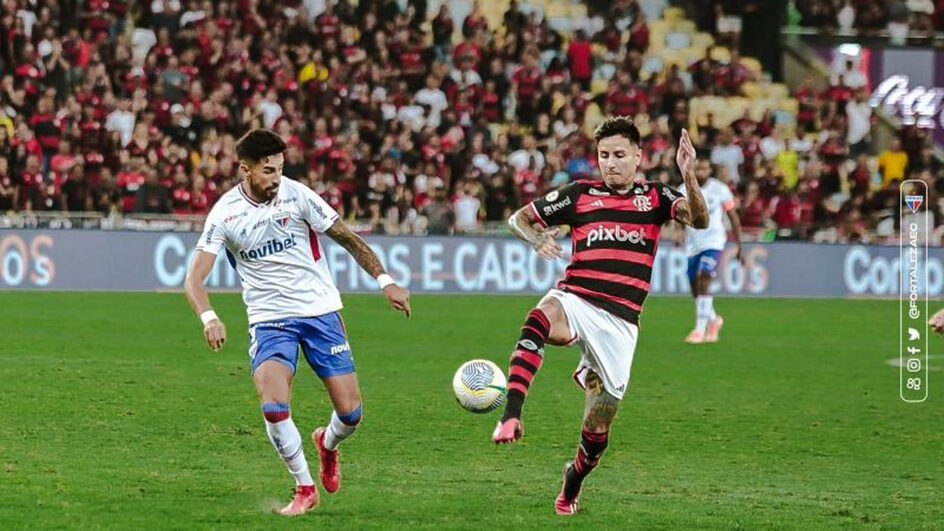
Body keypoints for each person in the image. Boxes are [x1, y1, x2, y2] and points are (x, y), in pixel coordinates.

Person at [183, 129, 411, 516]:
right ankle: (304, 487)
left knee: (351, 413)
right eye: (268, 171)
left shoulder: (298, 195)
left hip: (320, 312)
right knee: (273, 405)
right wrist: (209, 317)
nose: (276, 178)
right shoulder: (225, 213)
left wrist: (385, 281)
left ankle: (328, 444)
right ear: (246, 170)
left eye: (280, 169)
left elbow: (348, 238)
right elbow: (194, 279)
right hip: (270, 320)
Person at [491, 117, 708, 515]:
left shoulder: (657, 197)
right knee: (538, 318)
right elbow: (518, 219)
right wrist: (537, 237)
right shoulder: (579, 194)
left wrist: (688, 174)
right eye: (604, 155)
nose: (610, 163)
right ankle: (511, 415)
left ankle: (573, 480)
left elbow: (700, 220)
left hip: (620, 324)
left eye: (619, 155)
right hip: (576, 299)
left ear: (639, 157)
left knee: (597, 427)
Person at [676, 159, 744, 343]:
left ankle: (699, 330)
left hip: (714, 241)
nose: (700, 171)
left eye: (704, 167)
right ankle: (714, 320)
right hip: (693, 244)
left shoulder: (720, 190)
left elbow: (733, 217)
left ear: (709, 170)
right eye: (697, 167)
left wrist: (740, 246)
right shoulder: (683, 189)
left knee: (704, 277)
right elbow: (678, 214)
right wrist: (678, 232)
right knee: (695, 288)